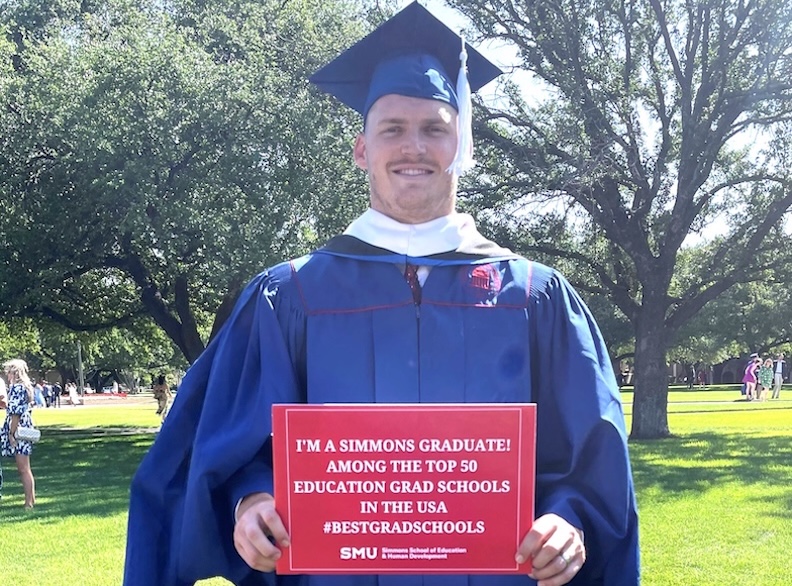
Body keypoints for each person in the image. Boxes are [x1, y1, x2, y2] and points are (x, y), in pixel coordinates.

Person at [124, 3, 639, 585]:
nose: (413, 147)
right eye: (392, 128)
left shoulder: (533, 297)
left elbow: (595, 468)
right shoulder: (290, 297)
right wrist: (249, 504)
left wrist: (568, 524)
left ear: (461, 146)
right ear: (362, 150)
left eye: (435, 129)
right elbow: (218, 448)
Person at [1, 359, 37, 509]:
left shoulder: (17, 388)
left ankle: (29, 502)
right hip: (24, 426)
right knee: (24, 468)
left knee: (23, 468)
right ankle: (31, 500)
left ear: (14, 373)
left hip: (18, 429)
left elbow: (15, 413)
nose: (7, 375)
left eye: (8, 372)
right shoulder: (25, 387)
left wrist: (11, 433)